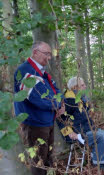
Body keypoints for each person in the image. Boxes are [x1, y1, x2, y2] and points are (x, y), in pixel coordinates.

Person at [14, 41, 64, 175]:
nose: (49, 58)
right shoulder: (26, 71)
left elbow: (57, 91)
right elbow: (39, 100)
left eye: (50, 54)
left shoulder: (43, 73)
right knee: (38, 163)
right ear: (35, 52)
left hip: (47, 123)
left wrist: (61, 102)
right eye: (46, 54)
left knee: (48, 159)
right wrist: (58, 104)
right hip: (35, 125)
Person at [57, 77, 104, 170]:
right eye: (82, 85)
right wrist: (69, 132)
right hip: (77, 134)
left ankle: (95, 158)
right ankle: (99, 165)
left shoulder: (81, 98)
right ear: (74, 87)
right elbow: (60, 118)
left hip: (87, 129)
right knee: (102, 136)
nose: (85, 86)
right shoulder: (68, 101)